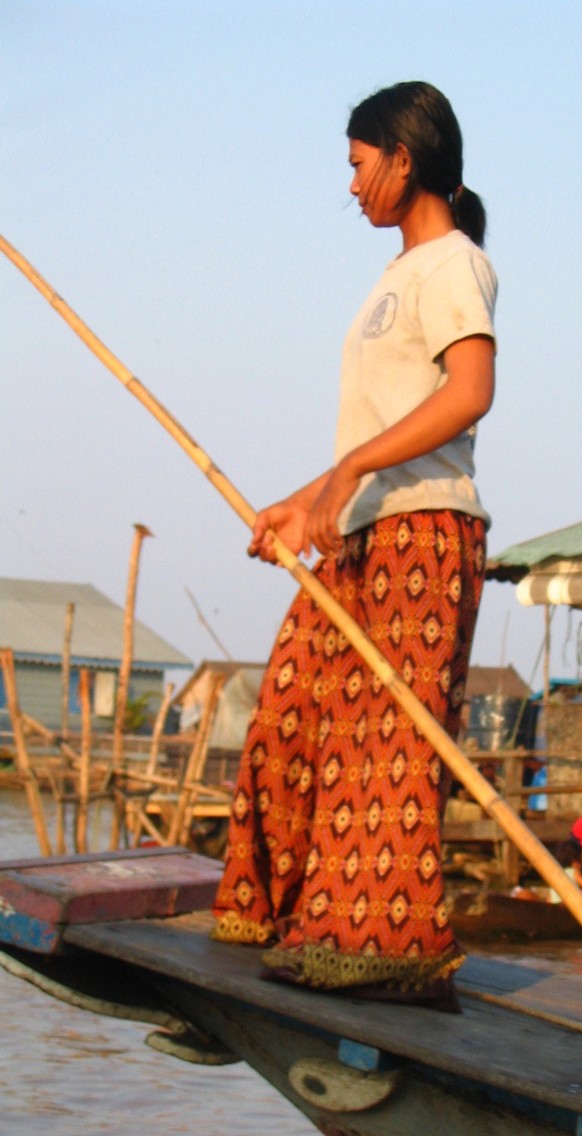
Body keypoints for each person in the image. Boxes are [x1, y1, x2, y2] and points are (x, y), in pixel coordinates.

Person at [211, 81, 497, 1012]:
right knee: (290, 720)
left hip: (425, 532)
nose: (352, 185)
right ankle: (290, 928)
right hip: (365, 531)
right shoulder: (392, 278)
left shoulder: (454, 261)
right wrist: (308, 501)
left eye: (357, 164)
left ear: (402, 159)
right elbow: (371, 436)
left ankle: (385, 949)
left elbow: (468, 395)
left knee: (388, 753)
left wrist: (344, 478)